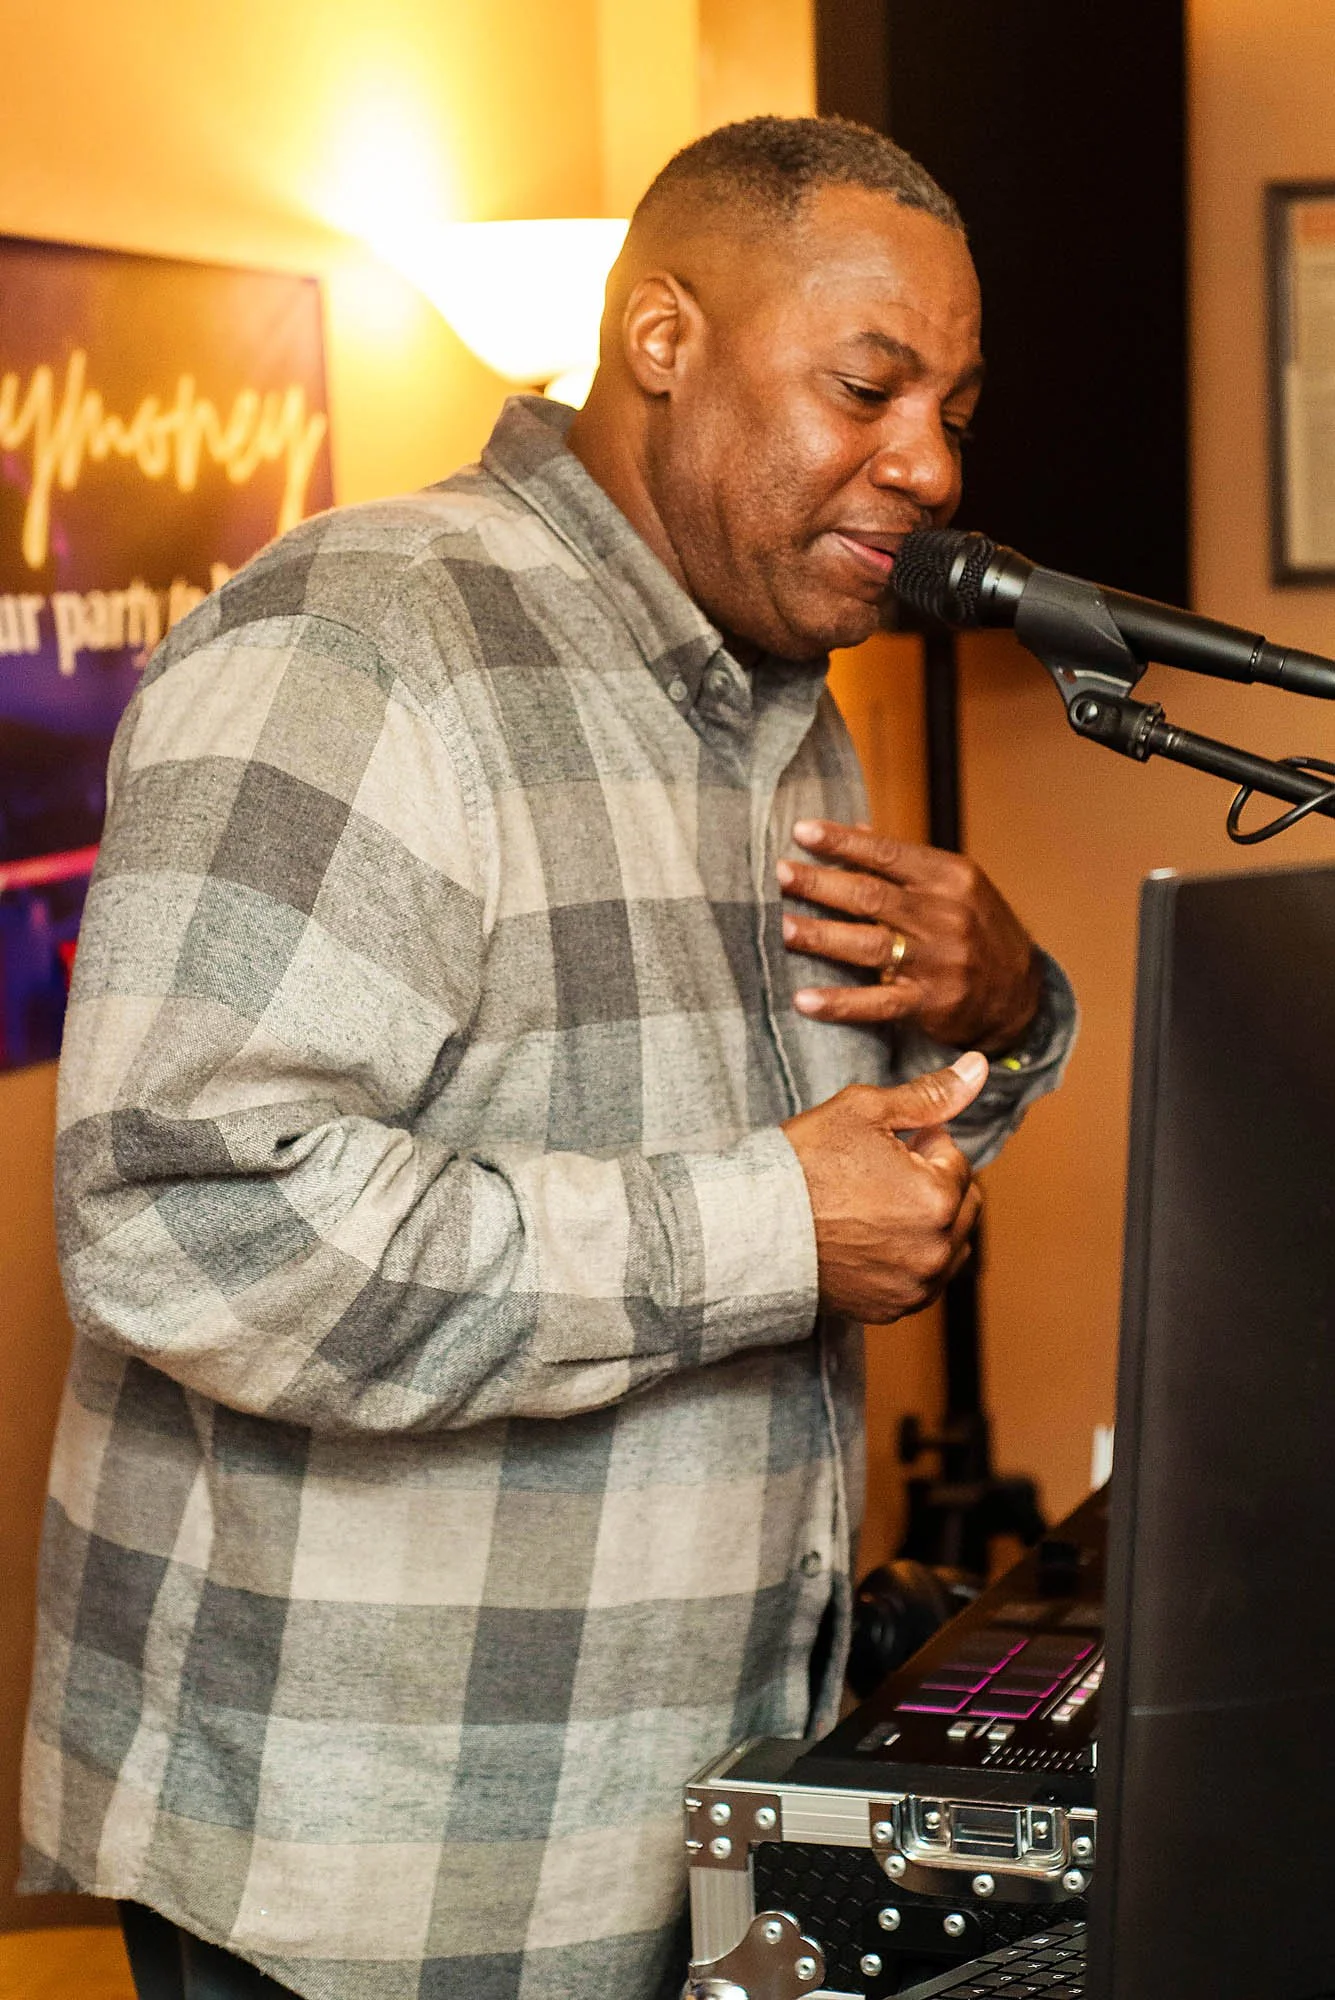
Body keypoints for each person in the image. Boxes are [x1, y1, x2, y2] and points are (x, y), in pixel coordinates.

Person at [22, 117, 1074, 2000]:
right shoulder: (361, 643)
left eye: (952, 404)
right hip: (383, 1870)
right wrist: (767, 1227)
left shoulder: (781, 695)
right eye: (868, 386)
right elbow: (184, 1222)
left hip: (685, 1804)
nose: (929, 466)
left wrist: (1004, 1011)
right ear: (660, 339)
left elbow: (844, 1177)